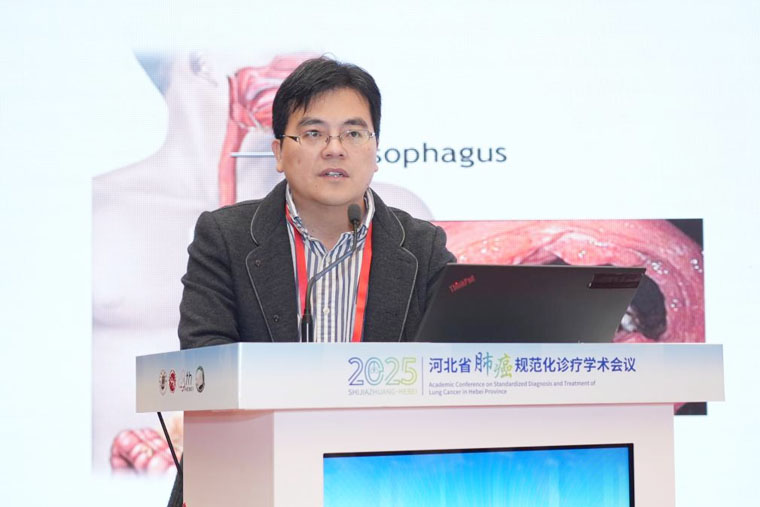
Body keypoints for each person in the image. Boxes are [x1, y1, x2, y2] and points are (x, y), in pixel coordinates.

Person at [168, 56, 455, 505]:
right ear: (279, 152)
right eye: (314, 133)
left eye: (354, 133)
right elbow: (206, 363)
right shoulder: (224, 238)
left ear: (376, 150)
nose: (335, 149)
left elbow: (454, 365)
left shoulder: (422, 247)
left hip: (378, 483)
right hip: (248, 481)